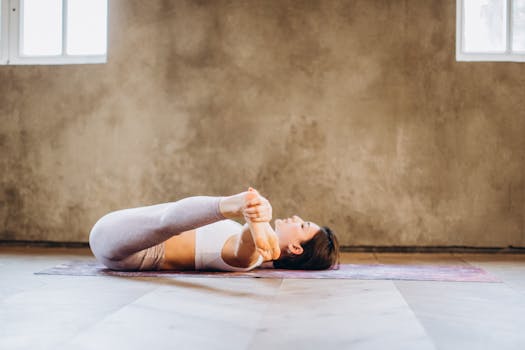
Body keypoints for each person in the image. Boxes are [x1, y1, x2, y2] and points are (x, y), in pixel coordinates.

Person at [89, 187, 340, 272]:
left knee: (167, 220)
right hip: (121, 232)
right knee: (166, 216)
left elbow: (245, 242)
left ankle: (233, 203)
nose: (297, 218)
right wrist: (255, 220)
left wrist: (254, 224)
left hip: (129, 251)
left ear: (296, 248)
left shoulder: (249, 260)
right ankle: (237, 204)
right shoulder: (251, 253)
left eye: (303, 225)